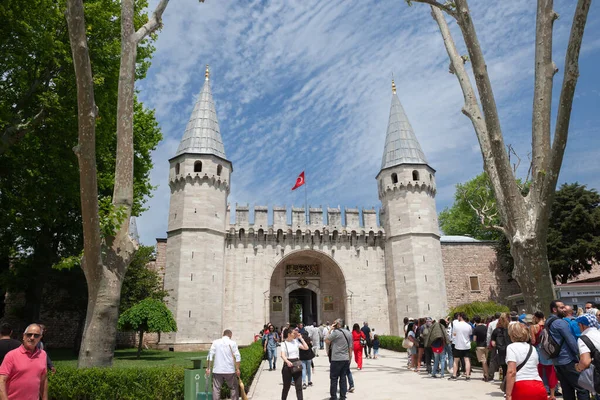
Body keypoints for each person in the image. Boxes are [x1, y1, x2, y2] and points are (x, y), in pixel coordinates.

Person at [547, 300, 586, 400]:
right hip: (567, 359)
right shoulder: (560, 323)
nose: (564, 309)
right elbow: (571, 341)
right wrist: (579, 355)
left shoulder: (548, 321)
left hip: (557, 360)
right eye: (561, 307)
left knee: (567, 389)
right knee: (582, 388)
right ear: (554, 309)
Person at [0, 323, 48, 400]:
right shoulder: (11, 355)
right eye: (29, 334)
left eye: (36, 335)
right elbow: (1, 381)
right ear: (23, 336)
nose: (32, 338)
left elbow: (43, 379)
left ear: (40, 338)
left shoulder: (43, 355)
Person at [505, 322, 547, 400]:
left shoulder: (511, 347)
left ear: (512, 335)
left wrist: (508, 395)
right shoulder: (532, 348)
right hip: (538, 385)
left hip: (521, 386)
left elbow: (511, 372)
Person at [206, 329, 242, 400]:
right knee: (233, 387)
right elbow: (237, 356)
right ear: (230, 335)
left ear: (223, 334)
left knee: (216, 389)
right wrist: (237, 369)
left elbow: (210, 355)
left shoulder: (216, 342)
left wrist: (208, 368)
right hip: (229, 370)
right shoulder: (233, 343)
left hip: (217, 370)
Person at [530, 311, 558, 399]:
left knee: (539, 372)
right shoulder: (548, 325)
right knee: (551, 372)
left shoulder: (533, 327)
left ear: (535, 317)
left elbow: (533, 341)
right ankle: (553, 394)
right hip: (547, 350)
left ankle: (542, 392)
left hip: (538, 350)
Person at [325, 318, 352, 400]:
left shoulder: (336, 333)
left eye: (335, 323)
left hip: (336, 359)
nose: (334, 324)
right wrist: (350, 358)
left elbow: (326, 340)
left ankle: (333, 396)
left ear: (339, 325)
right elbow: (350, 348)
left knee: (334, 378)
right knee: (343, 378)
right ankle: (342, 396)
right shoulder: (349, 333)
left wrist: (330, 329)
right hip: (345, 359)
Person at [281, 327, 309, 400]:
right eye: (294, 333)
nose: (295, 334)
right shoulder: (284, 343)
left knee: (299, 386)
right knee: (286, 387)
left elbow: (306, 348)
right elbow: (282, 355)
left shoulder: (296, 341)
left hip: (297, 364)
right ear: (289, 334)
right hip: (288, 365)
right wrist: (287, 361)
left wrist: (301, 339)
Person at [448, 312, 472, 381]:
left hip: (458, 345)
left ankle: (454, 375)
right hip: (466, 345)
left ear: (460, 317)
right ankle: (467, 376)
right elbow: (469, 334)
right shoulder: (468, 326)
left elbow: (454, 334)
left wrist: (453, 340)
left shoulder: (456, 325)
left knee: (456, 361)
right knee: (467, 361)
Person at [491, 313, 510, 384]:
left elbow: (493, 343)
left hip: (501, 350)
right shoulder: (510, 329)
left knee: (504, 366)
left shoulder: (496, 330)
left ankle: (504, 381)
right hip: (509, 349)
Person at [472, 315, 489, 381]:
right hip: (486, 345)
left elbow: (474, 339)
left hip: (479, 346)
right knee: (485, 361)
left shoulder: (476, 329)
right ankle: (484, 374)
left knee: (483, 362)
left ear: (475, 321)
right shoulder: (485, 327)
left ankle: (486, 375)